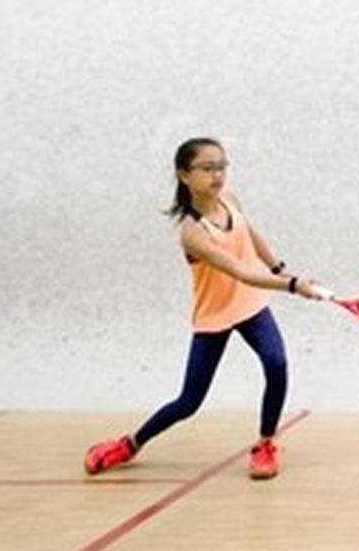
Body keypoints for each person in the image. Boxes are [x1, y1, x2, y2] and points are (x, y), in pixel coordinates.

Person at [84, 137, 320, 480]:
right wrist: (294, 285)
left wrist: (279, 267)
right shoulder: (192, 233)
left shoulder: (230, 200)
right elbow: (239, 270)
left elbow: (251, 236)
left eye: (221, 166)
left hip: (251, 305)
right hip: (215, 316)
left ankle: (266, 443)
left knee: (276, 362)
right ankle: (130, 444)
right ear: (184, 175)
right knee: (189, 401)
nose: (217, 175)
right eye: (207, 168)